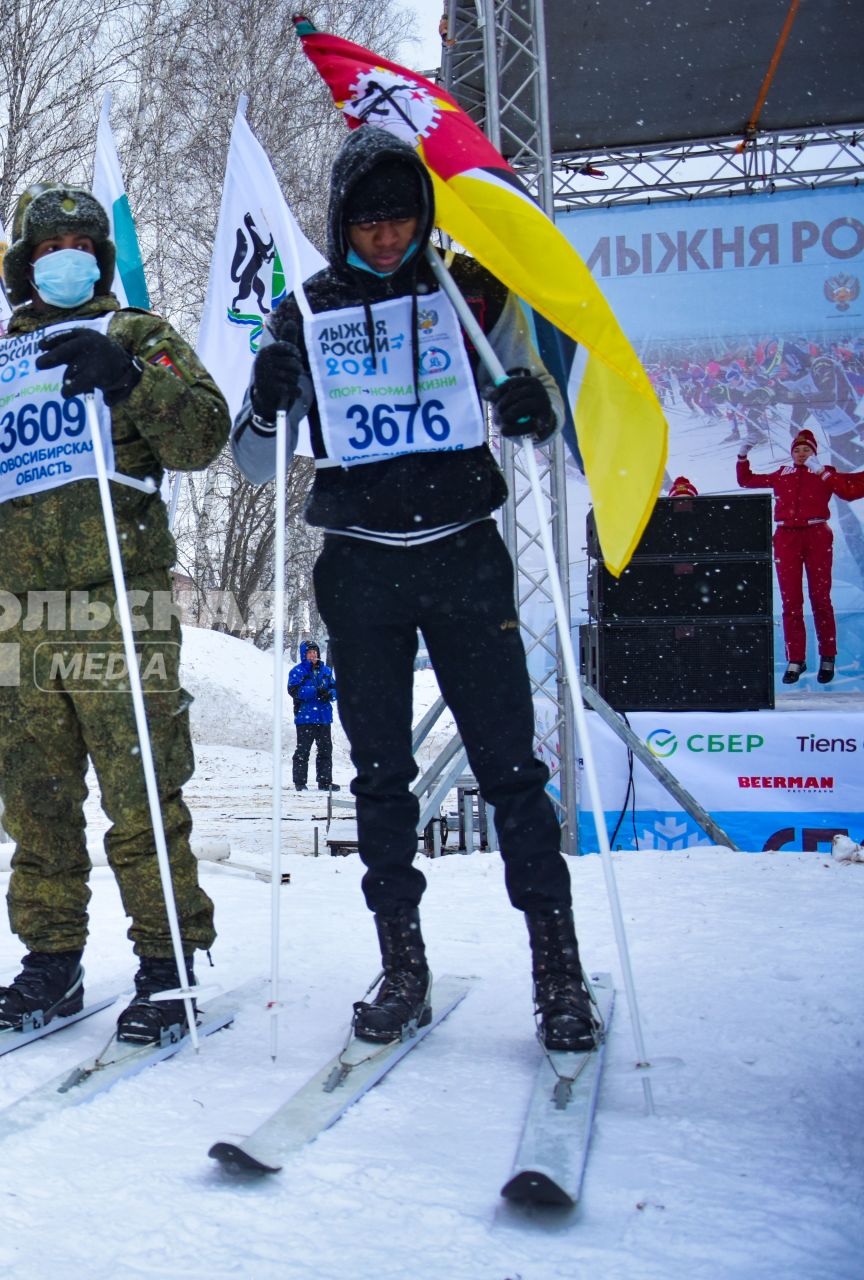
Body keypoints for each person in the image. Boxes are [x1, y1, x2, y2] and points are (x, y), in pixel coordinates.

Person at [231, 124, 599, 1052]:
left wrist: (528, 405)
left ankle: (557, 969)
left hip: (465, 554)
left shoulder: (469, 289)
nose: (387, 237)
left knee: (512, 769)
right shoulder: (304, 312)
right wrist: (270, 394)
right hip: (360, 566)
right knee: (381, 778)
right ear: (340, 222)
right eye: (368, 221)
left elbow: (546, 411)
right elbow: (250, 462)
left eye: (401, 218)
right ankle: (403, 964)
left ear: (424, 215)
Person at [0, 184, 231, 1045]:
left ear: (101, 262)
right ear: (27, 265)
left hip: (124, 600)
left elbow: (202, 436)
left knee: (142, 789)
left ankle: (167, 960)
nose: (66, 257)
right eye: (49, 247)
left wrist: (133, 379)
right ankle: (51, 956)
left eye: (83, 244)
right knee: (32, 794)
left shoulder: (137, 335)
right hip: (19, 613)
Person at [737, 428, 864, 684]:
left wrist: (821, 471)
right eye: (797, 449)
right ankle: (796, 659)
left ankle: (828, 655)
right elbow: (747, 480)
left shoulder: (824, 472)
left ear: (814, 452)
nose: (801, 453)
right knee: (790, 600)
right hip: (787, 537)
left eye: (806, 449)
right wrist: (743, 454)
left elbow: (848, 491)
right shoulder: (783, 473)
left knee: (820, 597)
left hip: (816, 533)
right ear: (791, 453)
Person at [288, 639, 337, 792]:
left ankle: (325, 782)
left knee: (325, 750)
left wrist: (329, 694)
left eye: (315, 652)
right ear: (304, 655)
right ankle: (300, 782)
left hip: (324, 717)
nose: (313, 655)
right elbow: (294, 691)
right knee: (303, 751)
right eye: (310, 652)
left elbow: (336, 689)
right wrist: (315, 691)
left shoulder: (326, 671)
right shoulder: (297, 671)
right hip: (305, 717)